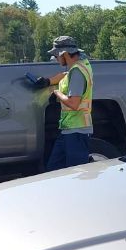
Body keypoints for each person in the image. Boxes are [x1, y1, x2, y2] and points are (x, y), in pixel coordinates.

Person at [36, 36, 95, 170]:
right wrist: (48, 81)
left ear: (64, 54)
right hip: (69, 129)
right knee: (53, 169)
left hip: (77, 130)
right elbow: (66, 75)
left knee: (76, 174)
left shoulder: (77, 72)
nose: (56, 59)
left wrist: (57, 93)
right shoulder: (81, 65)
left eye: (56, 55)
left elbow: (74, 103)